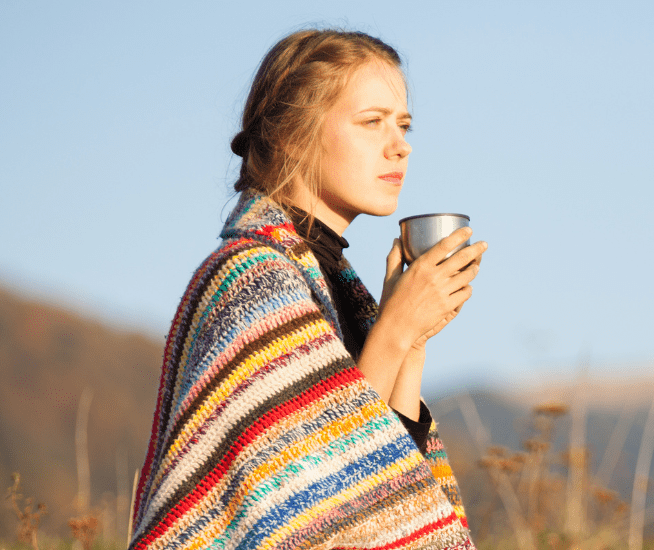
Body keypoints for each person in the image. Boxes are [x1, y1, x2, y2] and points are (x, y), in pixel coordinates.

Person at [129, 28, 486, 550]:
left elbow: (387, 483)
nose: (400, 145)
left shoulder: (333, 283)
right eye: (372, 123)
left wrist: (410, 341)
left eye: (404, 124)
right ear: (294, 134)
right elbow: (306, 496)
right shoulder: (252, 280)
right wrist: (393, 332)